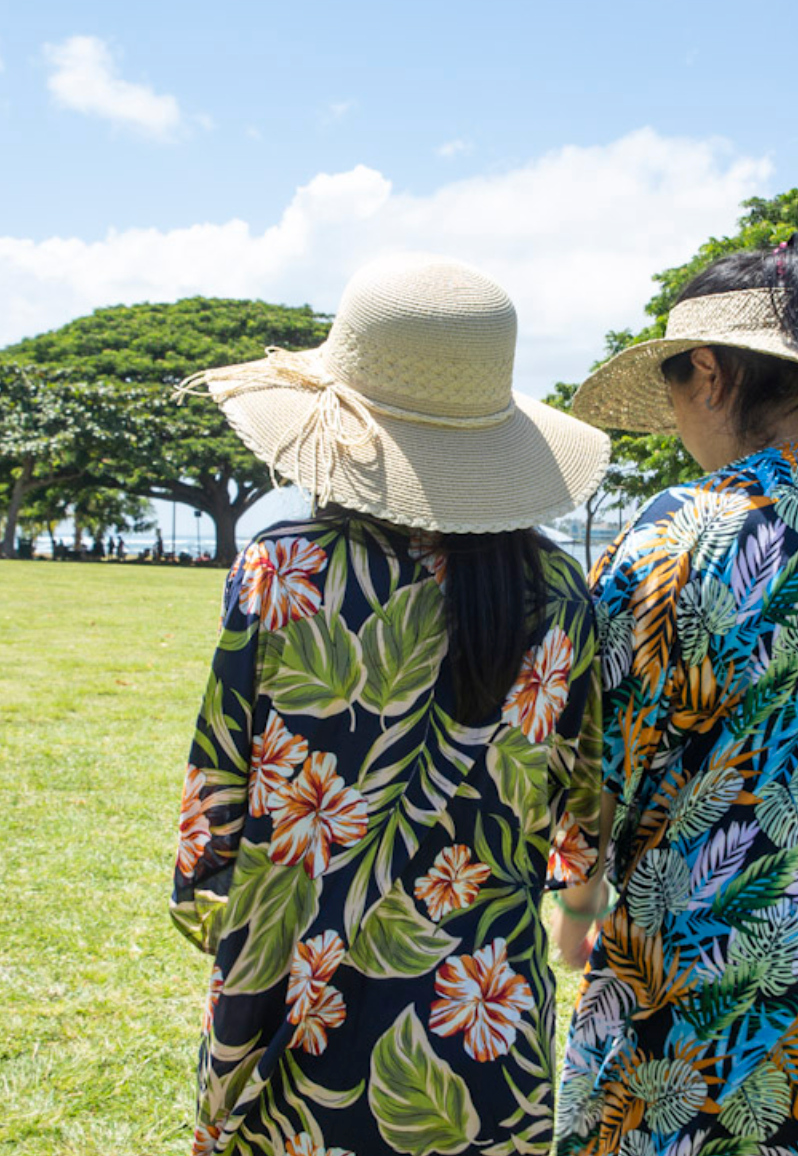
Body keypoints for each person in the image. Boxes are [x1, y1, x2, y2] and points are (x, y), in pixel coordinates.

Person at [170, 256, 611, 1156]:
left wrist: (221, 911)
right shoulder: (560, 589)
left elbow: (215, 794)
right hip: (489, 1012)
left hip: (296, 993)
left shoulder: (280, 569)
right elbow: (585, 798)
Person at [554, 236, 798, 1154]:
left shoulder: (676, 534)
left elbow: (590, 763)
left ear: (707, 370)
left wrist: (579, 905)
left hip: (693, 980)